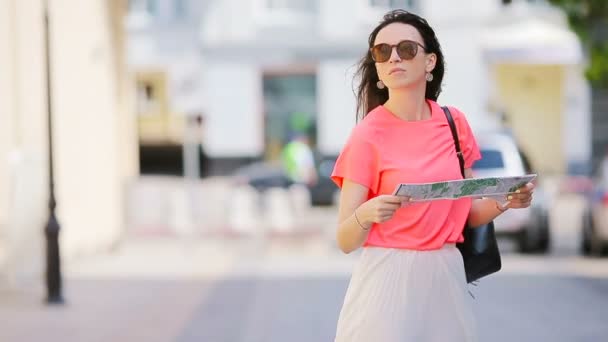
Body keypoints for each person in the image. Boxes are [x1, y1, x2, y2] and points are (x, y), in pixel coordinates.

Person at [330, 10, 535, 342]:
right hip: (387, 278)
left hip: (446, 276)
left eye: (406, 48)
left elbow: (466, 211)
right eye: (383, 52)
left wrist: (506, 201)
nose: (394, 56)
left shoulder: (454, 123)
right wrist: (367, 213)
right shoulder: (367, 135)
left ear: (429, 62)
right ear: (378, 69)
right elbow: (344, 239)